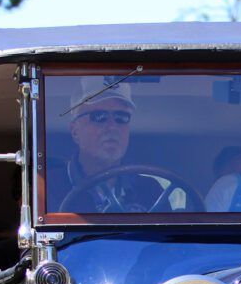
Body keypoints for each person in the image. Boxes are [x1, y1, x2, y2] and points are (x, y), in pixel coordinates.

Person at [52, 79, 163, 213]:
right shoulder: (47, 188)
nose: (112, 127)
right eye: (99, 117)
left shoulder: (151, 191)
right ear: (75, 132)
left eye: (121, 117)